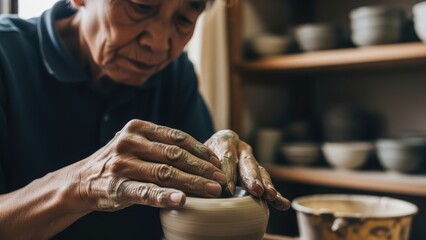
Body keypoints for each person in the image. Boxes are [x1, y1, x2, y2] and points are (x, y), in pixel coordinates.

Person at [0, 0, 290, 239]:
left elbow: (206, 196)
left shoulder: (175, 75)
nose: (159, 43)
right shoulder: (6, 55)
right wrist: (79, 185)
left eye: (184, 20)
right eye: (141, 6)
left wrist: (220, 154)